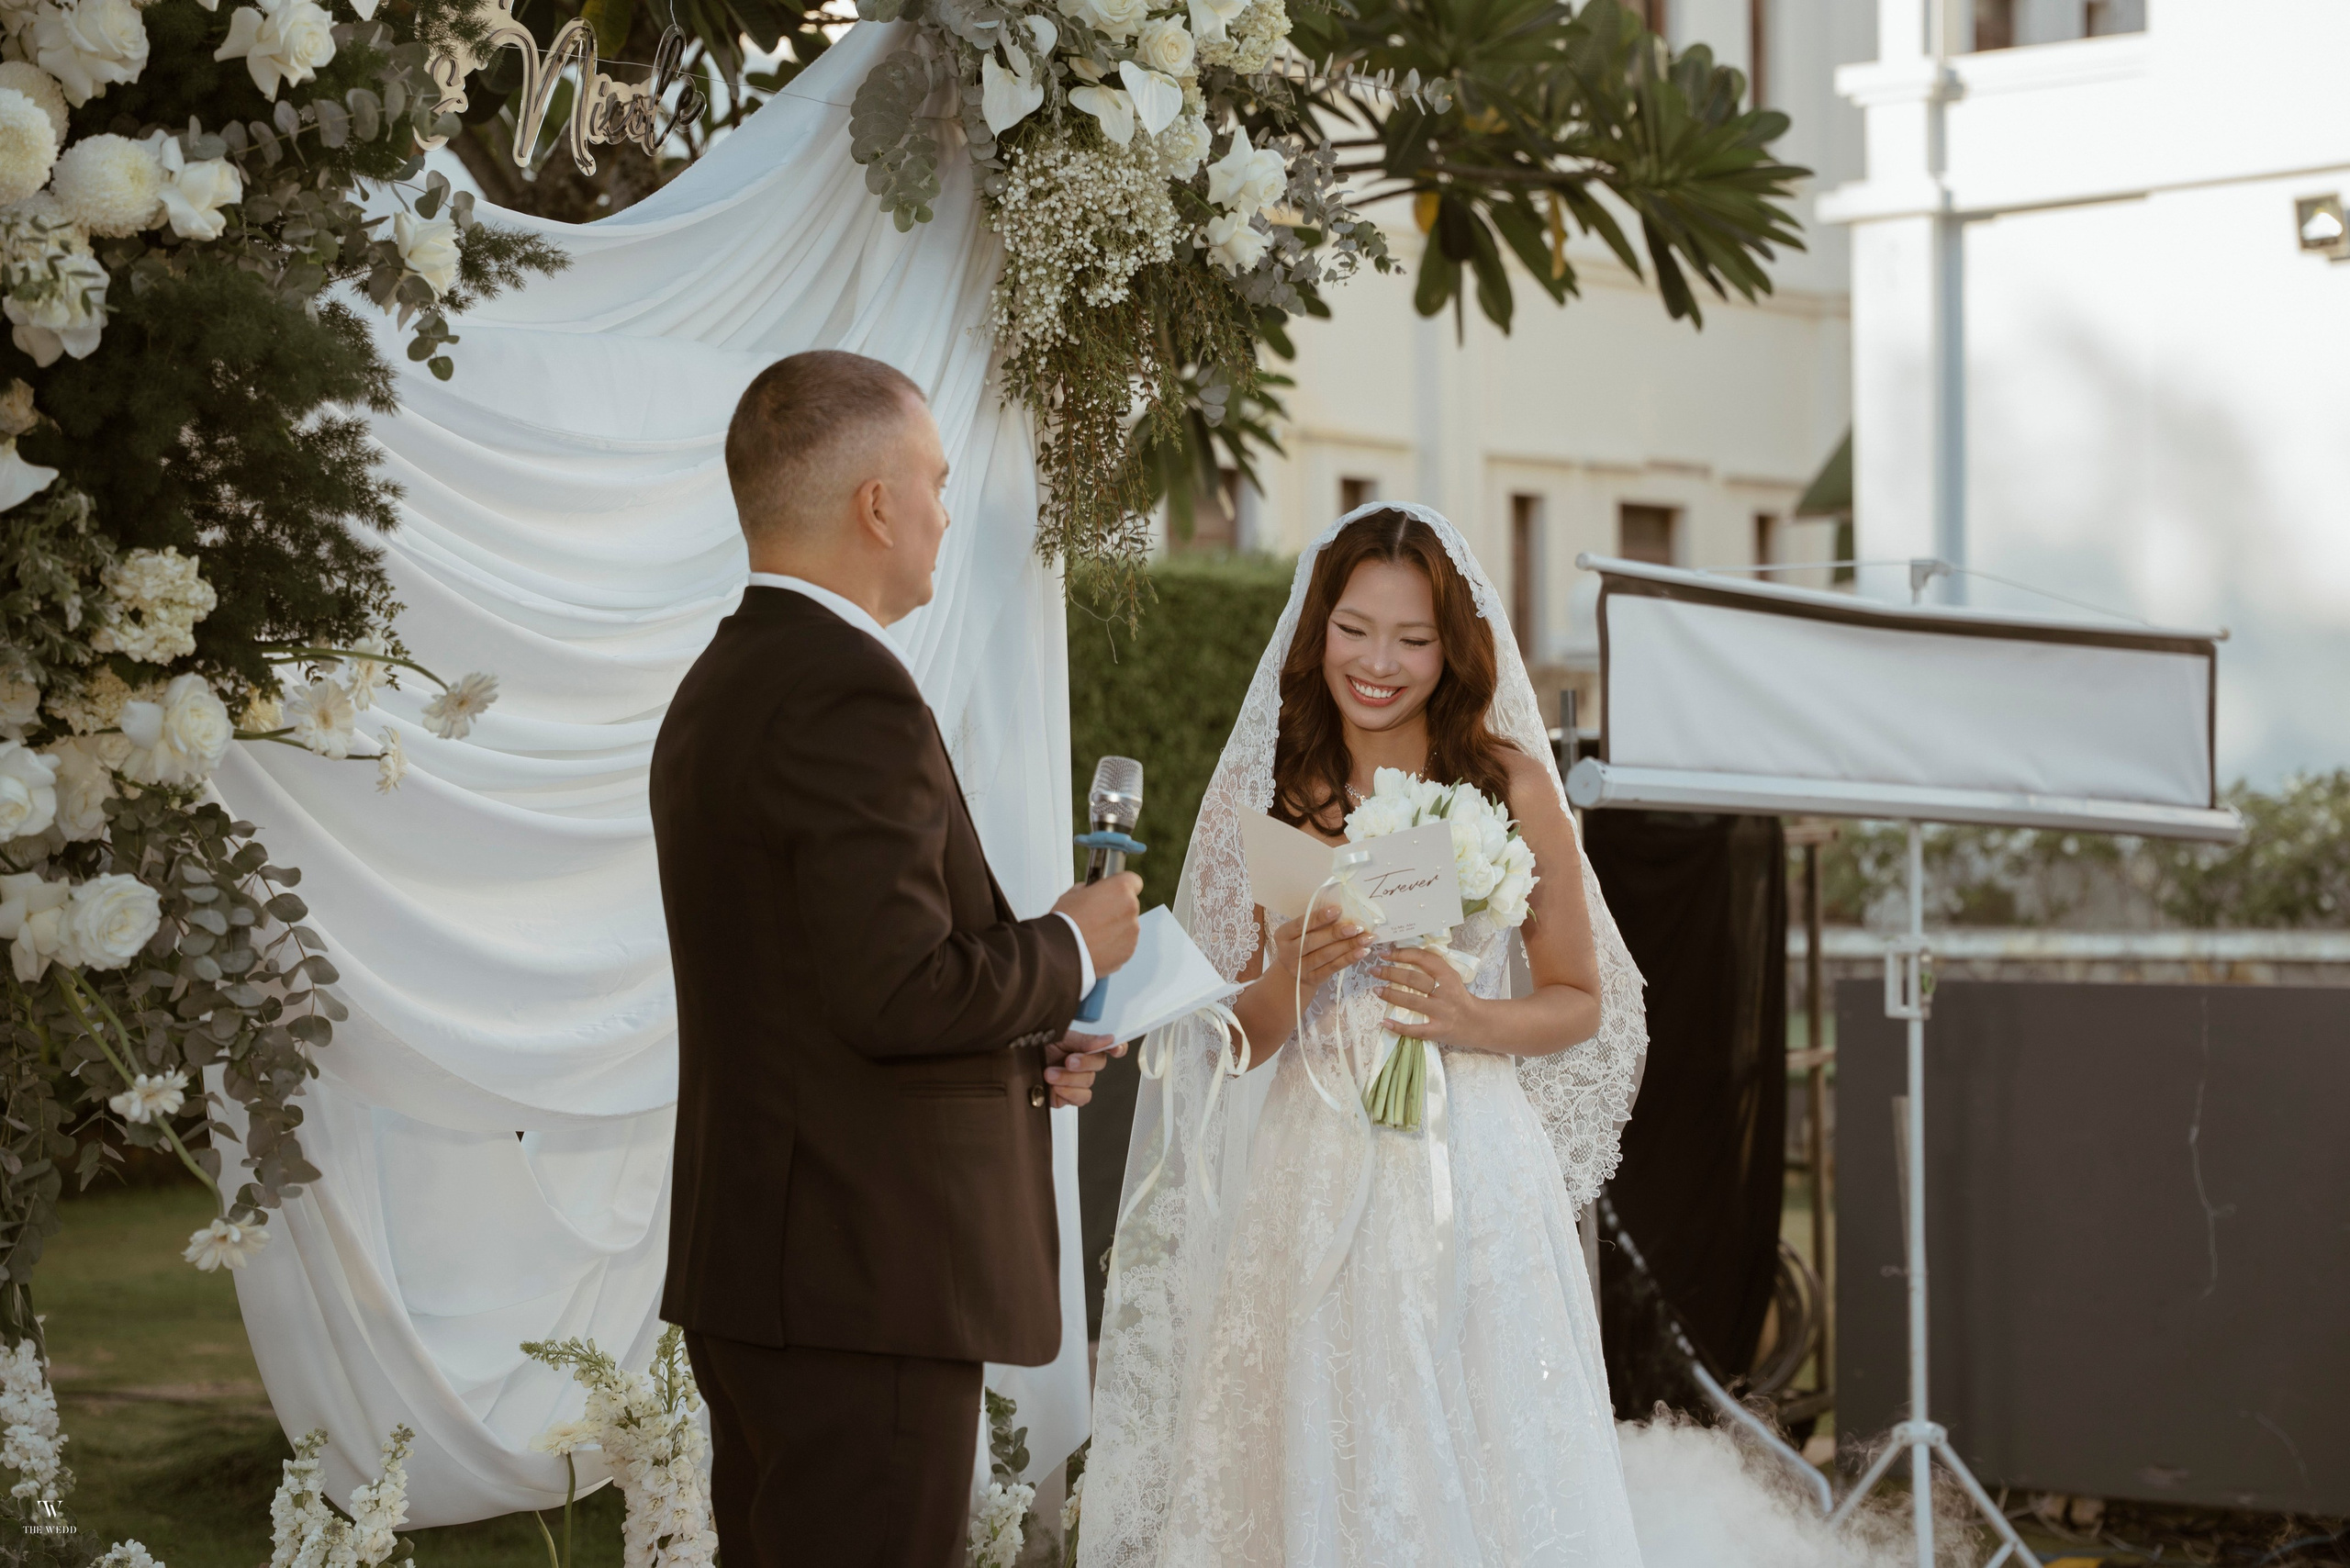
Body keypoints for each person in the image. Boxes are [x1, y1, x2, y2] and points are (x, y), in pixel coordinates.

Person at [1082, 505, 1651, 1567]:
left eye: (1412, 638)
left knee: (1482, 1450)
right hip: (1310, 1168)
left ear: (1453, 648)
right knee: (1318, 1449)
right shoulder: (1266, 795)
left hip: (1471, 1171)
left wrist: (1472, 1017)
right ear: (1316, 629)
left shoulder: (1511, 784)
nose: (1378, 663)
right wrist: (1292, 976)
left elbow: (1580, 996)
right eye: (1354, 629)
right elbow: (1229, 1045)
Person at [650, 350, 1142, 1568]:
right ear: (874, 506)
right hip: (859, 1282)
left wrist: (1030, 1049)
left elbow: (812, 989)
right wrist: (1078, 939)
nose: (941, 510)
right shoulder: (847, 696)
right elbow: (896, 990)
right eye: (931, 480)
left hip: (773, 1267)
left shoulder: (723, 684)